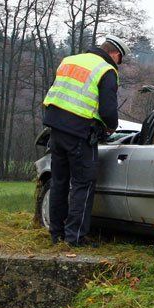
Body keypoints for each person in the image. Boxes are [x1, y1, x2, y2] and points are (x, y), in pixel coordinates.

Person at [42, 34, 129, 246]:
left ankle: (56, 234)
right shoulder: (106, 70)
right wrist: (110, 127)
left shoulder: (70, 60)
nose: (119, 64)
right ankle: (75, 237)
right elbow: (108, 111)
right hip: (80, 133)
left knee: (59, 182)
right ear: (115, 54)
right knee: (83, 183)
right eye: (120, 60)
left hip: (55, 129)